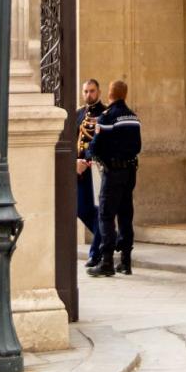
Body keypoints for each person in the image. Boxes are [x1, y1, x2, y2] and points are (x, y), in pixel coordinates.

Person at [89, 78, 141, 277]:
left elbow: (96, 146)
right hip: (130, 172)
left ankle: (107, 261)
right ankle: (126, 262)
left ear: (110, 94)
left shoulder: (107, 117)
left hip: (113, 173)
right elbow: (137, 147)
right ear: (125, 95)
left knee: (106, 215)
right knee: (126, 214)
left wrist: (94, 157)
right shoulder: (134, 118)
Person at [75, 77, 106, 272]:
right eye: (86, 91)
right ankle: (107, 236)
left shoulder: (105, 113)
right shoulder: (79, 114)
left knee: (98, 210)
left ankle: (95, 253)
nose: (89, 95)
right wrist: (75, 161)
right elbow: (71, 140)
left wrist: (88, 159)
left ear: (99, 92)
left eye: (92, 91)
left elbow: (100, 141)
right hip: (79, 170)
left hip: (96, 169)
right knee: (81, 209)